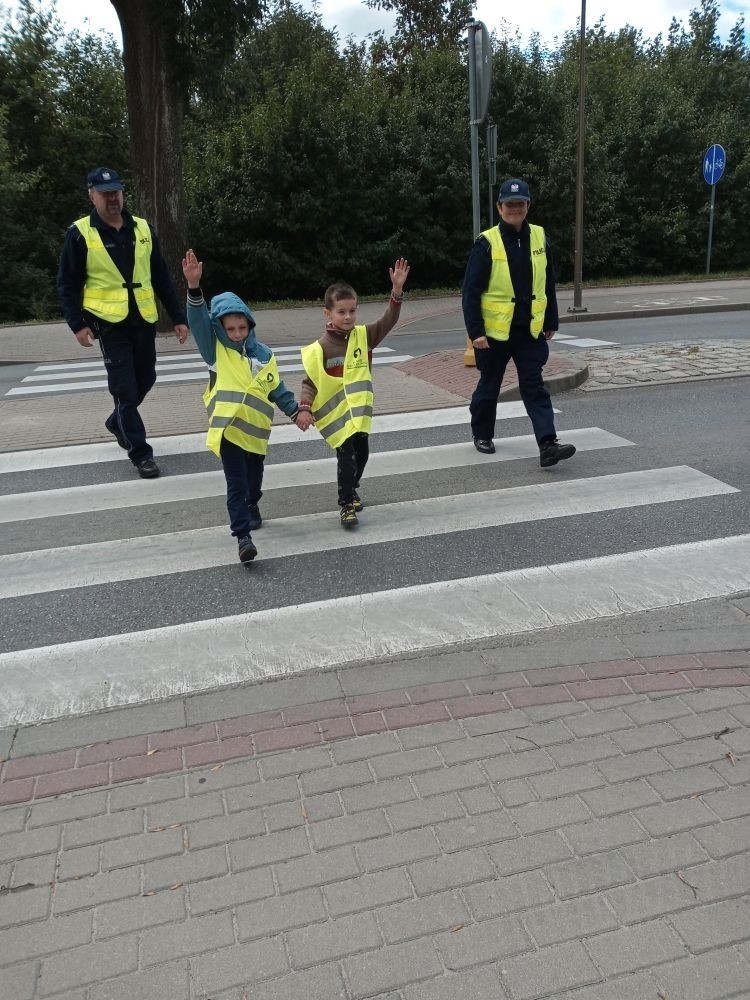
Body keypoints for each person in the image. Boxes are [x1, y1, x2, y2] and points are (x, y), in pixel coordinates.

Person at [181, 249, 313, 563]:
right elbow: (198, 322)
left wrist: (297, 412)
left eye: (242, 328)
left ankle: (253, 504)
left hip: (255, 434)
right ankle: (243, 537)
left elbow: (277, 389)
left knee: (253, 481)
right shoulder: (214, 351)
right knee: (235, 484)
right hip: (228, 431)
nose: (237, 334)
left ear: (250, 324)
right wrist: (194, 288)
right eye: (230, 329)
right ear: (221, 329)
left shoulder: (264, 355)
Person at [57, 167, 189, 479]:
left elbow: (161, 277)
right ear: (92, 195)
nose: (112, 198)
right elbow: (67, 284)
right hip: (109, 324)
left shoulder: (142, 229)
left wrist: (178, 318)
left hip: (143, 320)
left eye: (116, 192)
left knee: (147, 379)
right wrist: (77, 324)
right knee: (125, 391)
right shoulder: (80, 233)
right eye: (104, 194)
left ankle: (117, 422)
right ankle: (141, 454)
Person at [462, 177, 576, 468]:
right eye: (509, 204)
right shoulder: (486, 243)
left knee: (534, 386)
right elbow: (470, 291)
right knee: (490, 385)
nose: (515, 209)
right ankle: (482, 434)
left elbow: (547, 282)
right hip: (494, 333)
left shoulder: (539, 236)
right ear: (500, 208)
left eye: (520, 204)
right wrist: (475, 332)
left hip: (529, 330)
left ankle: (548, 444)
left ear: (528, 206)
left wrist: (551, 319)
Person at [299, 258, 410, 527]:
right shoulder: (321, 348)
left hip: (359, 415)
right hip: (337, 419)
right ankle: (346, 504)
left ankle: (353, 487)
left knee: (362, 455)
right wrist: (304, 408)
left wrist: (396, 292)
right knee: (346, 458)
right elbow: (309, 382)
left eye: (352, 311)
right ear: (328, 313)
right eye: (341, 312)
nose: (348, 317)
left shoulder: (364, 336)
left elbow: (388, 320)